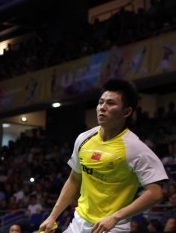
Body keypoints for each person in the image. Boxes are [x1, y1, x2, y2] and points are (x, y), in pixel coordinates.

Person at [40, 79, 168, 233]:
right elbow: (74, 179)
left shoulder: (135, 148)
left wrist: (115, 217)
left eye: (111, 103)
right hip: (79, 221)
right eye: (101, 102)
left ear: (127, 112)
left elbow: (156, 193)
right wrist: (52, 217)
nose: (102, 108)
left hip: (112, 226)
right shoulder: (84, 138)